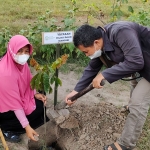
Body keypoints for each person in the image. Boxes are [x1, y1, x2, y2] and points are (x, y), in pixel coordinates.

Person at [65, 21, 150, 150]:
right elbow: (92, 68)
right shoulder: (102, 41)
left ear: (96, 43)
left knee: (139, 102)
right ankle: (130, 107)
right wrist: (76, 91)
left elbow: (136, 62)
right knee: (134, 82)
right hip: (144, 61)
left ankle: (126, 144)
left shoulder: (121, 32)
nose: (86, 55)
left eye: (85, 52)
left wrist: (104, 74)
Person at [0, 35, 49, 143]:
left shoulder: (21, 63)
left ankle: (21, 124)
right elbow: (14, 104)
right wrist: (26, 127)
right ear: (12, 50)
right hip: (6, 108)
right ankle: (7, 129)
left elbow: (28, 81)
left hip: (18, 97)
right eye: (20, 51)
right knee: (37, 111)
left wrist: (35, 93)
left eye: (26, 51)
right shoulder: (5, 73)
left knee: (41, 101)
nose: (23, 55)